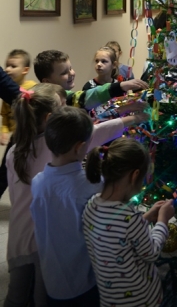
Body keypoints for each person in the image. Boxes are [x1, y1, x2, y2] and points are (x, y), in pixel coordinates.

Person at [5, 85, 149, 307]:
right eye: (62, 107)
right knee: (39, 297)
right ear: (50, 119)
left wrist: (125, 113)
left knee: (17, 295)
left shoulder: (15, 151)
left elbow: (16, 198)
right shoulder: (59, 154)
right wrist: (134, 118)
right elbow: (96, 132)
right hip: (43, 245)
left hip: (19, 237)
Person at [83, 137, 175, 307]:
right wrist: (162, 220)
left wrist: (146, 216)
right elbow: (151, 252)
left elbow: (116, 235)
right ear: (135, 175)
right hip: (141, 300)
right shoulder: (130, 218)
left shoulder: (91, 206)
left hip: (110, 299)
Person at [31, 107, 103, 306]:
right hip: (83, 282)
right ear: (80, 147)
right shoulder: (92, 185)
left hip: (52, 280)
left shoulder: (38, 182)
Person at [34, 50, 147, 118]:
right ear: (47, 82)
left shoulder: (64, 96)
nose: (71, 73)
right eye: (64, 72)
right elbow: (87, 98)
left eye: (71, 68)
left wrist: (124, 110)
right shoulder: (59, 101)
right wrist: (120, 86)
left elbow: (94, 117)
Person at [1, 49, 36, 145]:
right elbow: (5, 115)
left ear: (25, 70)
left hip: (30, 137)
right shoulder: (6, 92)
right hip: (15, 138)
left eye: (13, 66)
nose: (7, 69)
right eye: (7, 66)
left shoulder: (33, 88)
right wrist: (4, 131)